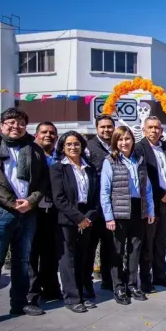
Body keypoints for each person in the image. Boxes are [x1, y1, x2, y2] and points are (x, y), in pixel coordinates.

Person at [0, 108, 49, 330]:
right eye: (11, 122)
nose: (16, 126)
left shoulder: (33, 149)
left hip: (28, 213)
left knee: (23, 262)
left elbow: (42, 182)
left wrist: (30, 201)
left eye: (21, 123)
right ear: (2, 124)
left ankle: (20, 303)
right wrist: (11, 201)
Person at [100, 126, 155, 305]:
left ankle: (132, 284)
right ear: (116, 142)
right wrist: (108, 216)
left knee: (135, 249)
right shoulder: (110, 161)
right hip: (119, 210)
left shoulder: (139, 160)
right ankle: (118, 286)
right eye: (120, 139)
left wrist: (150, 210)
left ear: (132, 140)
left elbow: (147, 187)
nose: (124, 142)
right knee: (117, 250)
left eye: (127, 139)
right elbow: (105, 190)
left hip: (138, 209)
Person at [50, 132, 99, 313]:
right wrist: (78, 218)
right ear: (62, 147)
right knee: (67, 259)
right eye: (68, 144)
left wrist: (89, 217)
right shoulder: (57, 168)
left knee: (82, 258)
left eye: (76, 144)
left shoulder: (90, 168)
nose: (73, 147)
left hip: (87, 218)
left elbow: (95, 197)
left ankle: (81, 294)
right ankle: (71, 298)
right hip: (67, 219)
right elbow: (59, 198)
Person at [135, 116, 166, 291]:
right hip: (151, 202)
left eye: (157, 128)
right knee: (148, 242)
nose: (154, 131)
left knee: (162, 241)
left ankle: (160, 276)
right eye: (151, 128)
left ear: (161, 130)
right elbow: (143, 175)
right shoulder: (139, 148)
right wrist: (162, 193)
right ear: (144, 130)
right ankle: (146, 281)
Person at [29, 122, 62, 305]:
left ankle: (50, 288)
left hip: (54, 212)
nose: (48, 135)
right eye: (44, 132)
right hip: (33, 212)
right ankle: (31, 294)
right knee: (32, 255)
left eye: (52, 133)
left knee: (51, 253)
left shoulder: (59, 157)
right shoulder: (30, 154)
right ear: (36, 135)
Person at [85, 116, 116, 295]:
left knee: (110, 245)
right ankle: (87, 283)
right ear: (96, 128)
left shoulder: (117, 145)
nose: (106, 130)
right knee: (90, 247)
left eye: (109, 127)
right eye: (103, 127)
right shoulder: (89, 147)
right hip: (94, 206)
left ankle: (108, 280)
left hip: (112, 205)